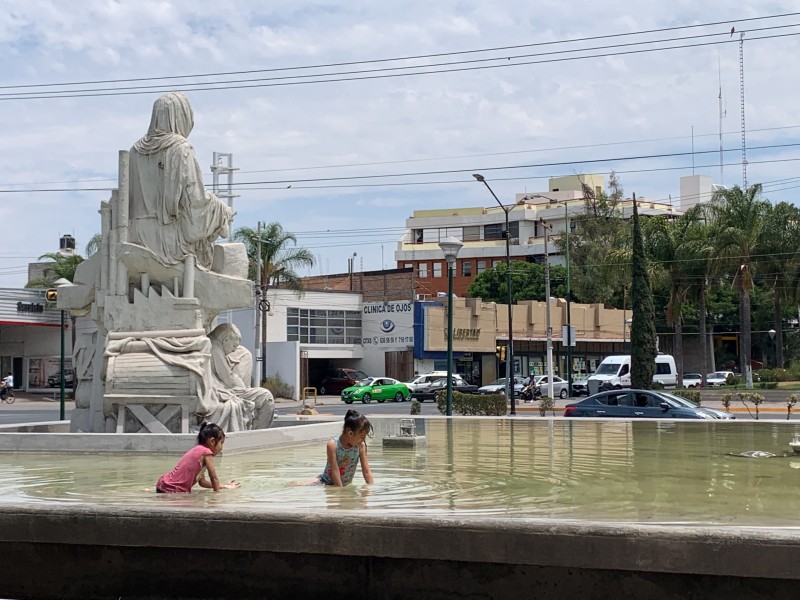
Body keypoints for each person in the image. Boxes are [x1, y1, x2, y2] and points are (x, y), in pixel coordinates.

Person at [129, 91, 232, 269]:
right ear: (181, 115)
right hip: (166, 240)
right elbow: (196, 201)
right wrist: (222, 211)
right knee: (218, 218)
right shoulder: (181, 148)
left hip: (133, 235)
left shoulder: (134, 151)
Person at [155, 422, 239, 493]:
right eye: (221, 443)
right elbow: (213, 477)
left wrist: (224, 486)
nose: (221, 447)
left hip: (163, 484)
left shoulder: (199, 451)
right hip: (173, 490)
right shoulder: (207, 453)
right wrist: (216, 498)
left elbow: (202, 482)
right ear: (212, 441)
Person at [316, 410, 374, 487]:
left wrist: (371, 489)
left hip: (345, 484)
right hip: (325, 482)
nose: (363, 440)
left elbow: (366, 472)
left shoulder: (360, 446)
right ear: (350, 434)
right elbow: (335, 471)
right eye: (362, 437)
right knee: (303, 485)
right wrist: (341, 492)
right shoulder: (333, 445)